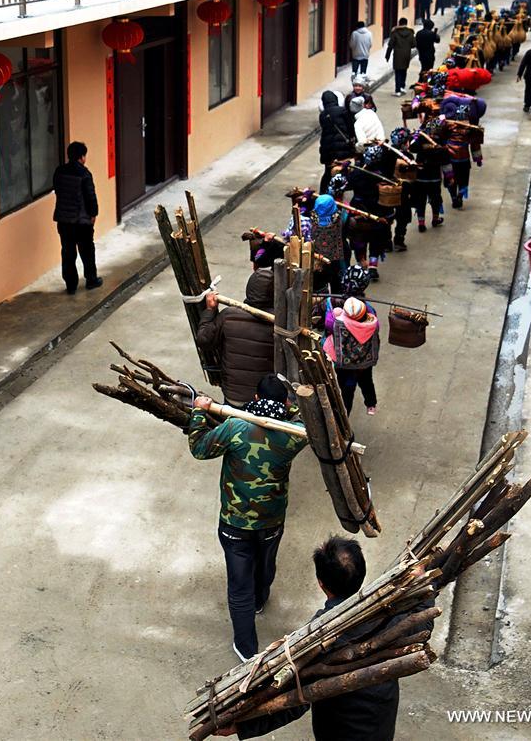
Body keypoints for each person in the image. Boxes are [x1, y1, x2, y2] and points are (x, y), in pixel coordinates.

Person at [232, 536, 435, 741]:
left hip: (336, 731)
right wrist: (422, 580)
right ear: (362, 574)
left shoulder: (315, 639)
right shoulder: (389, 614)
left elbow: (293, 700)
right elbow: (423, 623)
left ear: (321, 583)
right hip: (380, 724)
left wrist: (243, 727)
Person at [187, 375, 308, 662]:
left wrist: (199, 411)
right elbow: (301, 416)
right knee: (266, 563)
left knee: (239, 584)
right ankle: (259, 600)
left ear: (255, 399)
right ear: (285, 403)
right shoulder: (296, 434)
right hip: (271, 520)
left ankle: (246, 647)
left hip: (235, 523)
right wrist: (288, 406)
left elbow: (199, 448)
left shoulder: (234, 427)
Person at [197, 270, 275, 407]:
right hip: (265, 401)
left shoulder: (229, 315)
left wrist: (210, 310)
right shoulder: (280, 323)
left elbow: (204, 340)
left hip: (233, 397)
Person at [52, 141, 102, 295]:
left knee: (68, 252)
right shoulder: (84, 174)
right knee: (87, 251)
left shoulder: (59, 171)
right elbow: (90, 197)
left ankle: (71, 285)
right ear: (82, 157)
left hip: (64, 220)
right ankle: (91, 280)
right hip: (81, 221)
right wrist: (93, 214)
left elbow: (58, 191)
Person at [323, 296, 380, 415]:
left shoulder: (337, 322)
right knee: (367, 382)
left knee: (347, 389)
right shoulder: (372, 323)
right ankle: (371, 404)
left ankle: (345, 416)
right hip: (364, 364)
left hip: (345, 365)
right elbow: (372, 311)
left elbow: (328, 323)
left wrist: (333, 308)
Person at [318, 90, 354, 194]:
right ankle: (339, 191)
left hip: (328, 148)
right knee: (342, 169)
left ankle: (323, 193)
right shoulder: (342, 111)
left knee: (328, 172)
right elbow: (350, 127)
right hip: (343, 146)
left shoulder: (323, 115)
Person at [385, 17, 416, 96]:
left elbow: (390, 45)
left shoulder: (395, 32)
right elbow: (413, 44)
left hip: (397, 54)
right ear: (406, 23)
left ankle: (397, 90)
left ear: (399, 23)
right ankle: (402, 86)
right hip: (406, 54)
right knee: (404, 71)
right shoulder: (410, 32)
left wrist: (387, 55)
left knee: (398, 72)